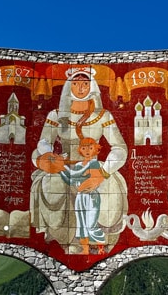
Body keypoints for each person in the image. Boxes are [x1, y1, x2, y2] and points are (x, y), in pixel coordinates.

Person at [31, 66, 129, 254]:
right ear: (69, 86)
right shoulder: (56, 114)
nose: (81, 88)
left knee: (106, 188)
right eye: (76, 83)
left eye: (85, 84)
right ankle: (64, 238)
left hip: (94, 167)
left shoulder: (103, 116)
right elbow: (42, 144)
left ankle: (96, 237)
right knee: (52, 184)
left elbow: (119, 148)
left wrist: (103, 172)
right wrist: (44, 160)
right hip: (64, 165)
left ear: (92, 86)